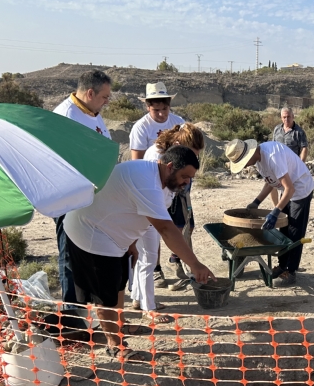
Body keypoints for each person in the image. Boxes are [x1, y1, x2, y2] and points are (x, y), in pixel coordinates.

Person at [63, 146, 214, 362]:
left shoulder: (160, 180)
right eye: (184, 176)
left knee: (119, 285)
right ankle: (114, 344)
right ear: (169, 167)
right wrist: (195, 265)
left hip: (114, 235)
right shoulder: (146, 181)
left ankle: (119, 326)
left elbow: (132, 209)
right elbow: (166, 229)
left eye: (190, 178)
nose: (186, 182)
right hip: (91, 233)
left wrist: (131, 243)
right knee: (105, 294)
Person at [52, 70, 112, 325]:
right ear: (90, 93)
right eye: (104, 96)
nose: (107, 101)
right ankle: (70, 313)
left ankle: (84, 305)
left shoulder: (92, 113)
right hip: (70, 197)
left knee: (87, 252)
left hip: (91, 195)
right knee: (69, 254)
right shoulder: (66, 117)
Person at [128, 124, 206, 318]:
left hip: (150, 208)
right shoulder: (158, 156)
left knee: (143, 256)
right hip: (148, 210)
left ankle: (139, 298)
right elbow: (159, 191)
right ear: (179, 144)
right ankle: (149, 308)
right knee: (149, 257)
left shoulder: (163, 153)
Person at [225, 138, 314, 287]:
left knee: (294, 231)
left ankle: (291, 271)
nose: (245, 166)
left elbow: (290, 189)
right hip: (287, 190)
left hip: (300, 189)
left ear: (250, 155)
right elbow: (270, 181)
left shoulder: (272, 157)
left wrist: (275, 211)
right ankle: (282, 265)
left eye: (244, 162)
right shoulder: (260, 160)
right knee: (284, 231)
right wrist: (257, 201)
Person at [129, 82, 186, 289]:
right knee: (154, 229)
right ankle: (155, 270)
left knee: (179, 224)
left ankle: (176, 259)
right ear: (148, 107)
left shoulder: (178, 123)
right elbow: (136, 163)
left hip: (176, 184)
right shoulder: (141, 128)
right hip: (152, 187)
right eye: (157, 110)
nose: (162, 114)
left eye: (165, 109)